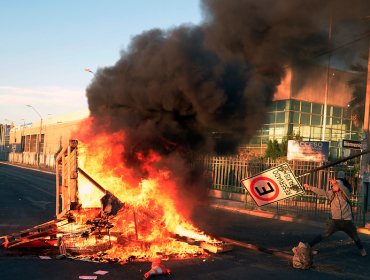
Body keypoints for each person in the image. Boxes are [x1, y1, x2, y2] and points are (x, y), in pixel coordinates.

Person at [303, 171, 366, 257]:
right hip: (335, 221)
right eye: (332, 186)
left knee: (355, 238)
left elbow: (344, 188)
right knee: (325, 234)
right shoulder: (331, 194)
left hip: (347, 221)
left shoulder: (346, 193)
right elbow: (321, 192)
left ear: (339, 186)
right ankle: (309, 246)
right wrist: (310, 187)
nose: (333, 187)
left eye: (335, 186)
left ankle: (362, 249)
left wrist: (336, 183)